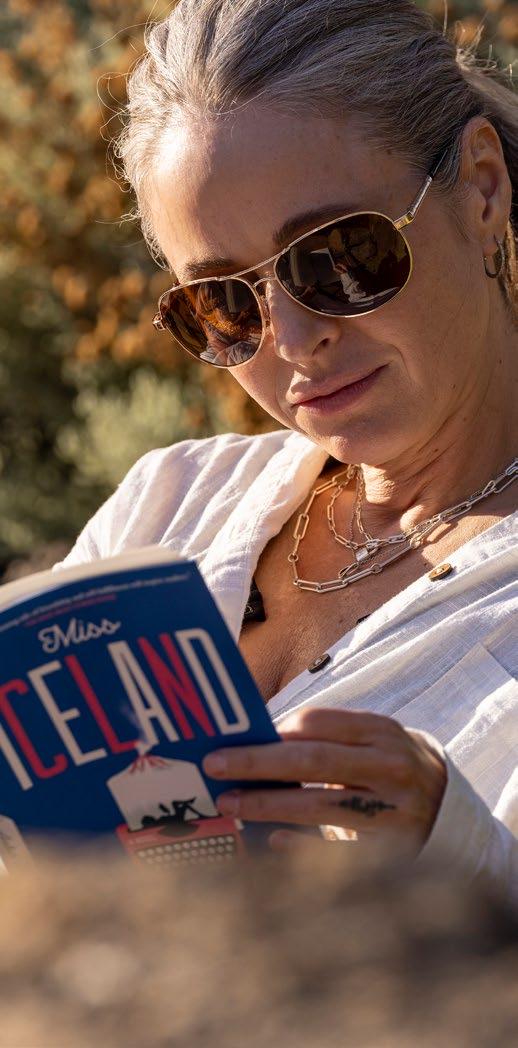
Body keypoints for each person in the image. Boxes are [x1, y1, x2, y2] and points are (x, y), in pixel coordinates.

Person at [58, 0, 518, 897]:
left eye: (339, 256)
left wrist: (461, 852)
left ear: (482, 188)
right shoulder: (167, 504)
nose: (295, 340)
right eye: (223, 302)